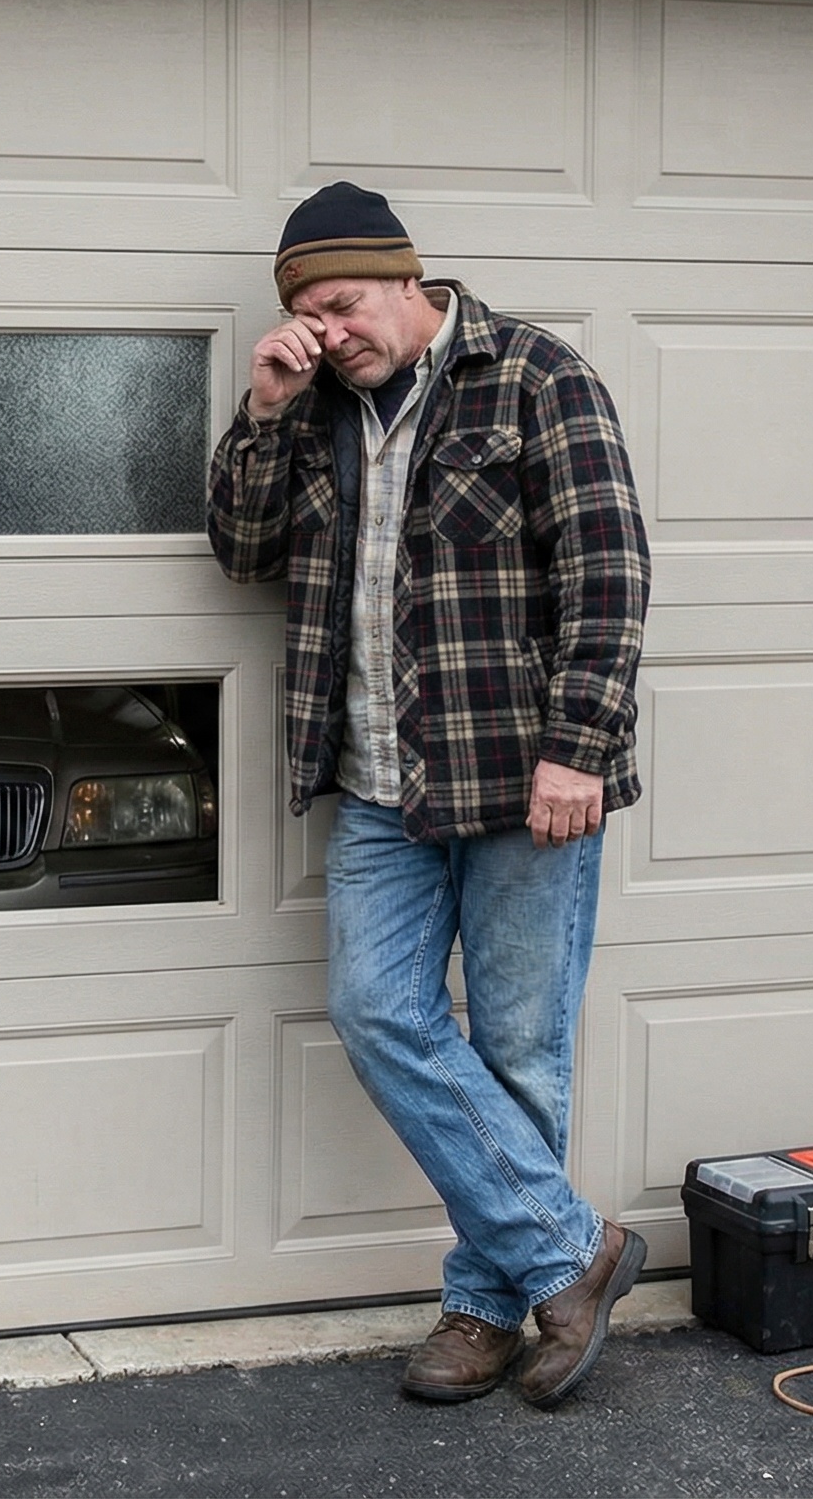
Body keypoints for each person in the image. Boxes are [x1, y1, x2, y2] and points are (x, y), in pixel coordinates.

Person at [208, 182, 652, 1408]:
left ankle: (482, 1309)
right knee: (374, 1010)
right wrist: (263, 405)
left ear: (409, 281)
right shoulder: (309, 409)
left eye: (342, 305)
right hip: (369, 780)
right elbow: (240, 551)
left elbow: (608, 573)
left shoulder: (534, 378)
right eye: (304, 312)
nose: (328, 330)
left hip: (522, 776)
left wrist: (577, 748)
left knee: (519, 1047)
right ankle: (573, 1253)